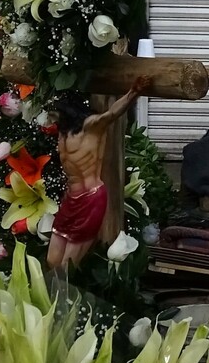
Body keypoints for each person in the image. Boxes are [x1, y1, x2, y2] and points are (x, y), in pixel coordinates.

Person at [47, 76, 151, 268]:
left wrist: (133, 93)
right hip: (70, 200)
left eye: (55, 111)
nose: (51, 115)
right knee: (52, 261)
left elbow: (111, 113)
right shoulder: (62, 132)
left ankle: (64, 297)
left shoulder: (91, 126)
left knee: (66, 265)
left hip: (90, 199)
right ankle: (52, 295)